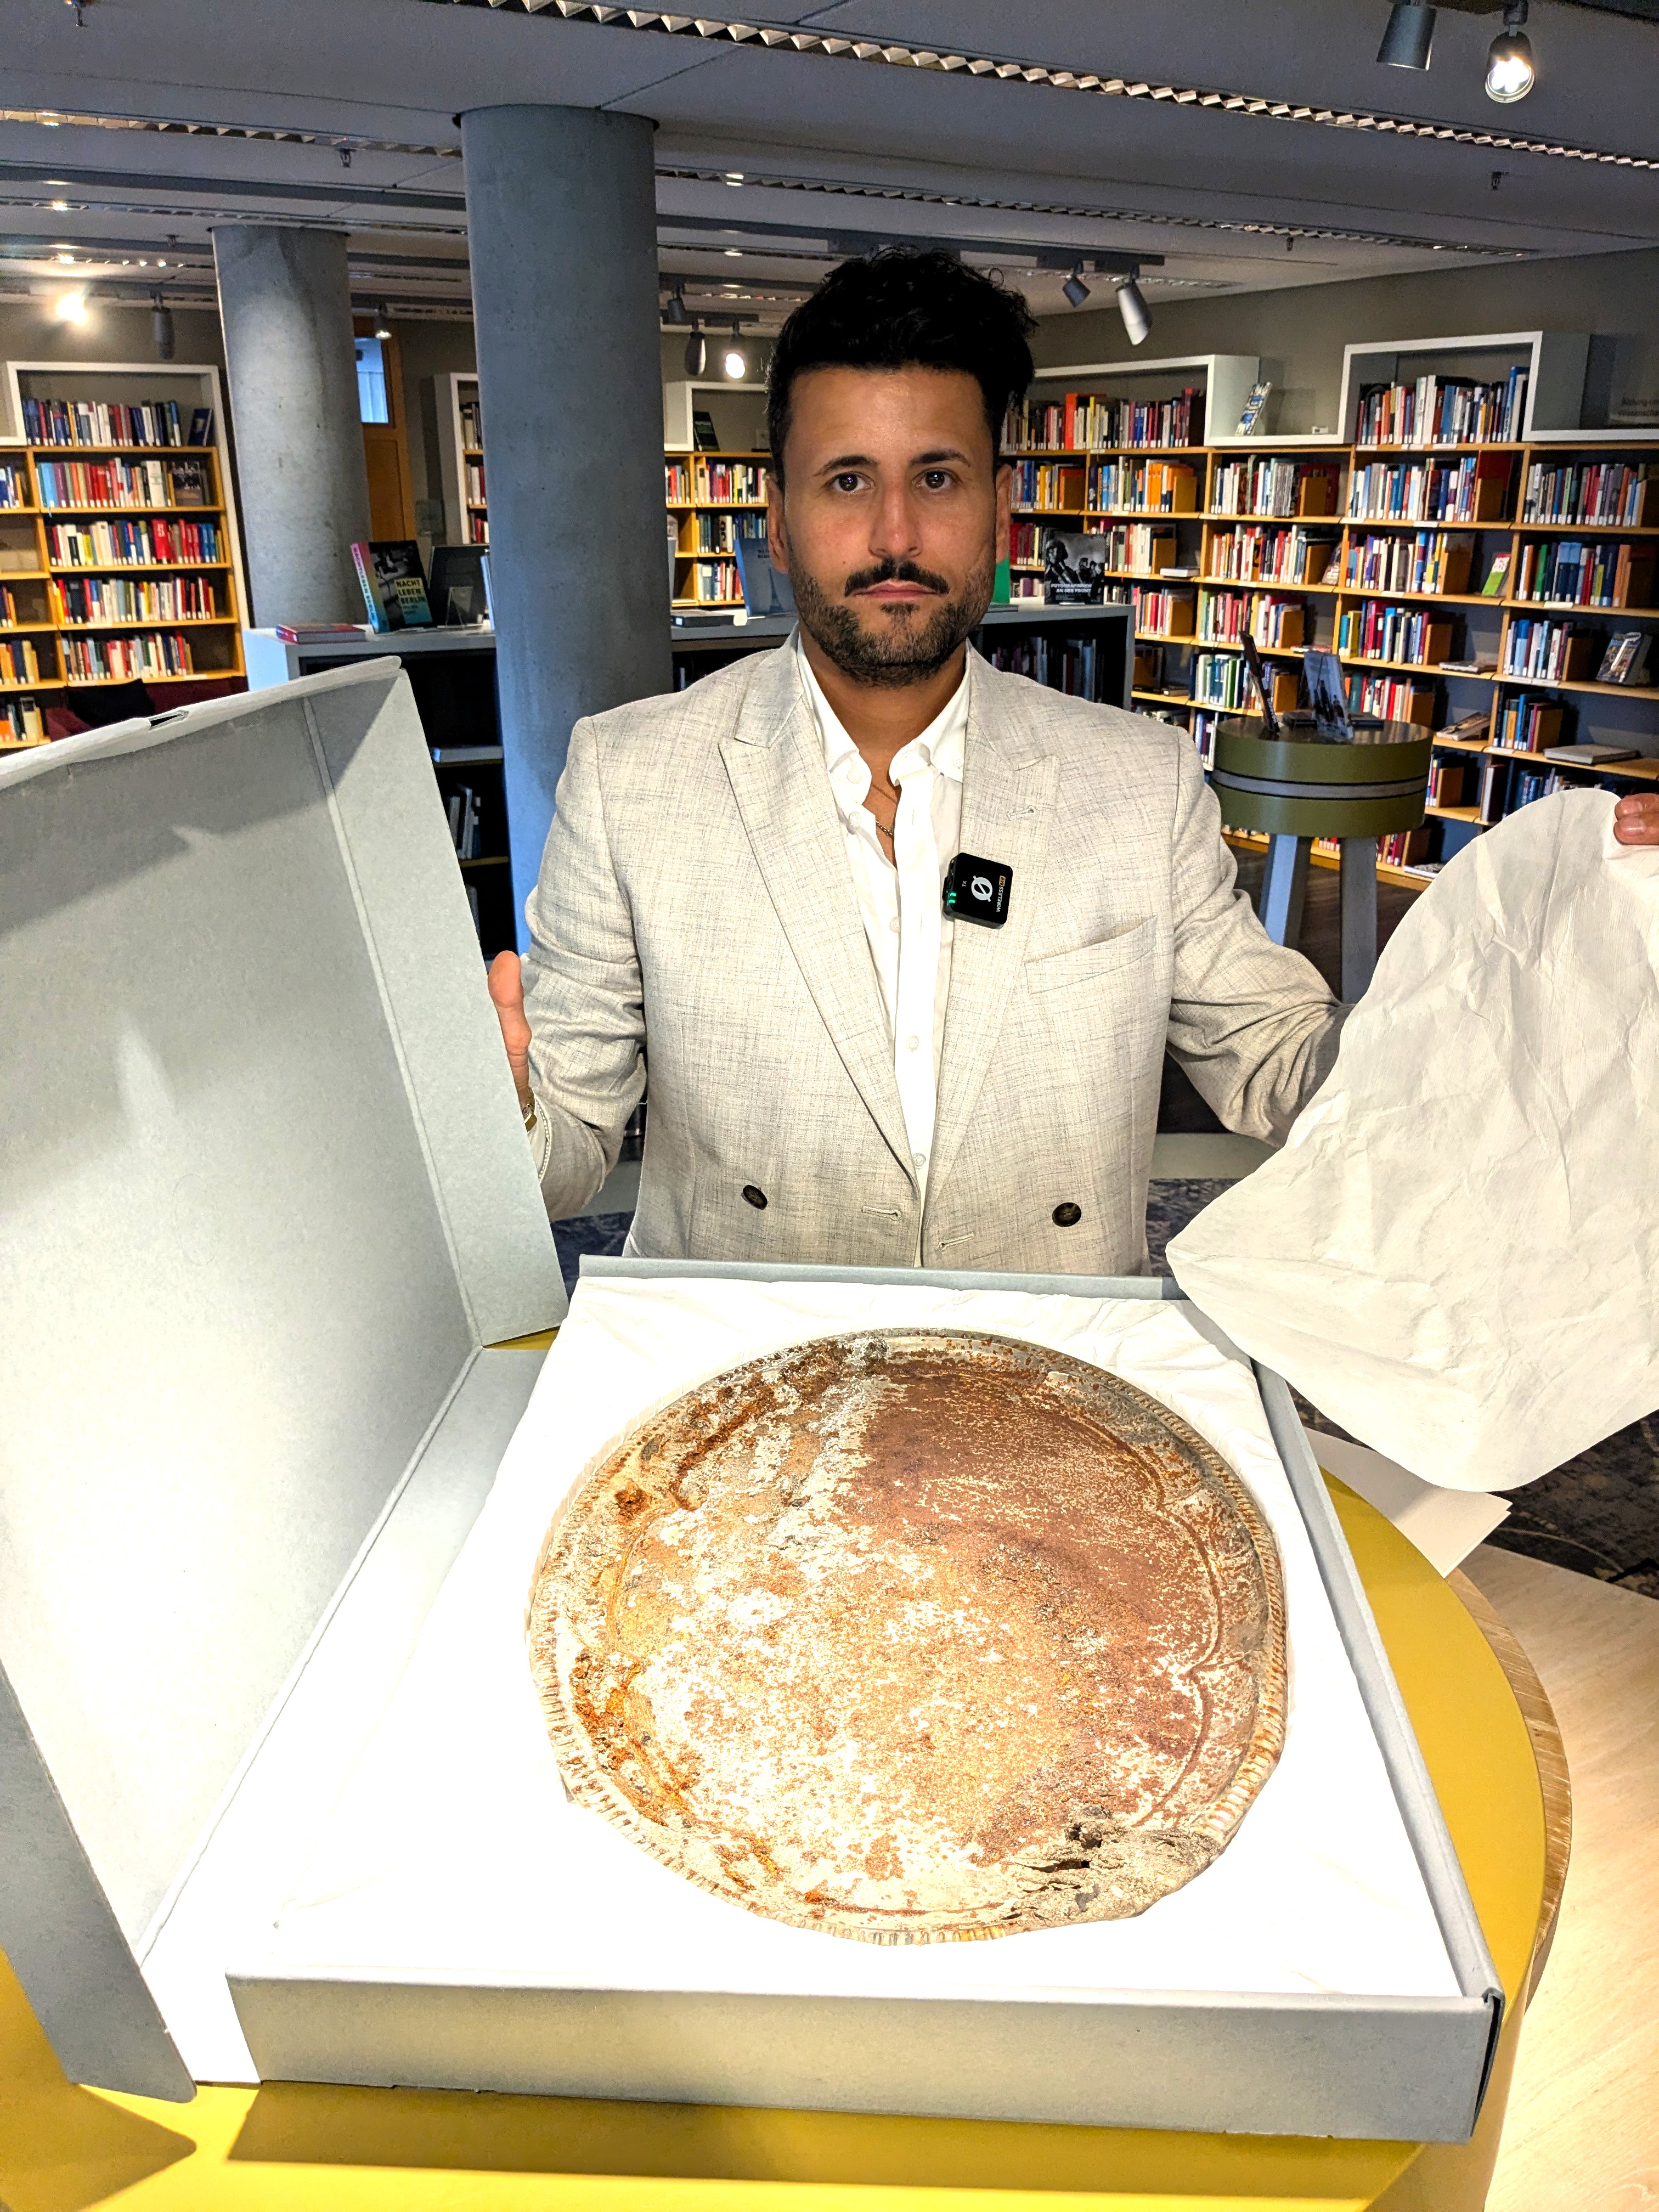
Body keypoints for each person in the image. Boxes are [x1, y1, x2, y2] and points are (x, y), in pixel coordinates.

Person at [488, 248, 1659, 1274]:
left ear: (1000, 504)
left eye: (937, 478)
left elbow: (1287, 1067)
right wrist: (491, 1108)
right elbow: (565, 1156)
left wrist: (1527, 968)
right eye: (848, 480)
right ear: (778, 515)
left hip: (1052, 1393)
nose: (895, 534)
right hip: (751, 1391)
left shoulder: (1138, 784)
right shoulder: (632, 777)